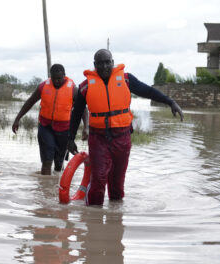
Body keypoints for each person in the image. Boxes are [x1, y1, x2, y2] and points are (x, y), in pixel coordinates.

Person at [68, 49, 183, 206]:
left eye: (107, 62)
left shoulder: (127, 79)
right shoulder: (85, 86)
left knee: (117, 183)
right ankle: (93, 221)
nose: (104, 66)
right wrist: (70, 139)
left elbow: (148, 91)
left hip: (122, 137)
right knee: (98, 179)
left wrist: (170, 102)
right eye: (100, 63)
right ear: (95, 65)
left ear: (113, 63)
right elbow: (76, 114)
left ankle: (115, 220)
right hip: (98, 139)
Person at [12, 64, 88, 175]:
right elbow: (30, 102)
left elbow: (83, 110)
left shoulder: (73, 90)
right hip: (45, 127)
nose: (57, 81)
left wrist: (86, 127)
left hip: (64, 130)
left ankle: (55, 187)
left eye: (59, 78)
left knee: (59, 163)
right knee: (47, 161)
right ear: (50, 76)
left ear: (64, 76)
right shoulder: (43, 86)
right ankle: (44, 190)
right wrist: (17, 119)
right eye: (54, 79)